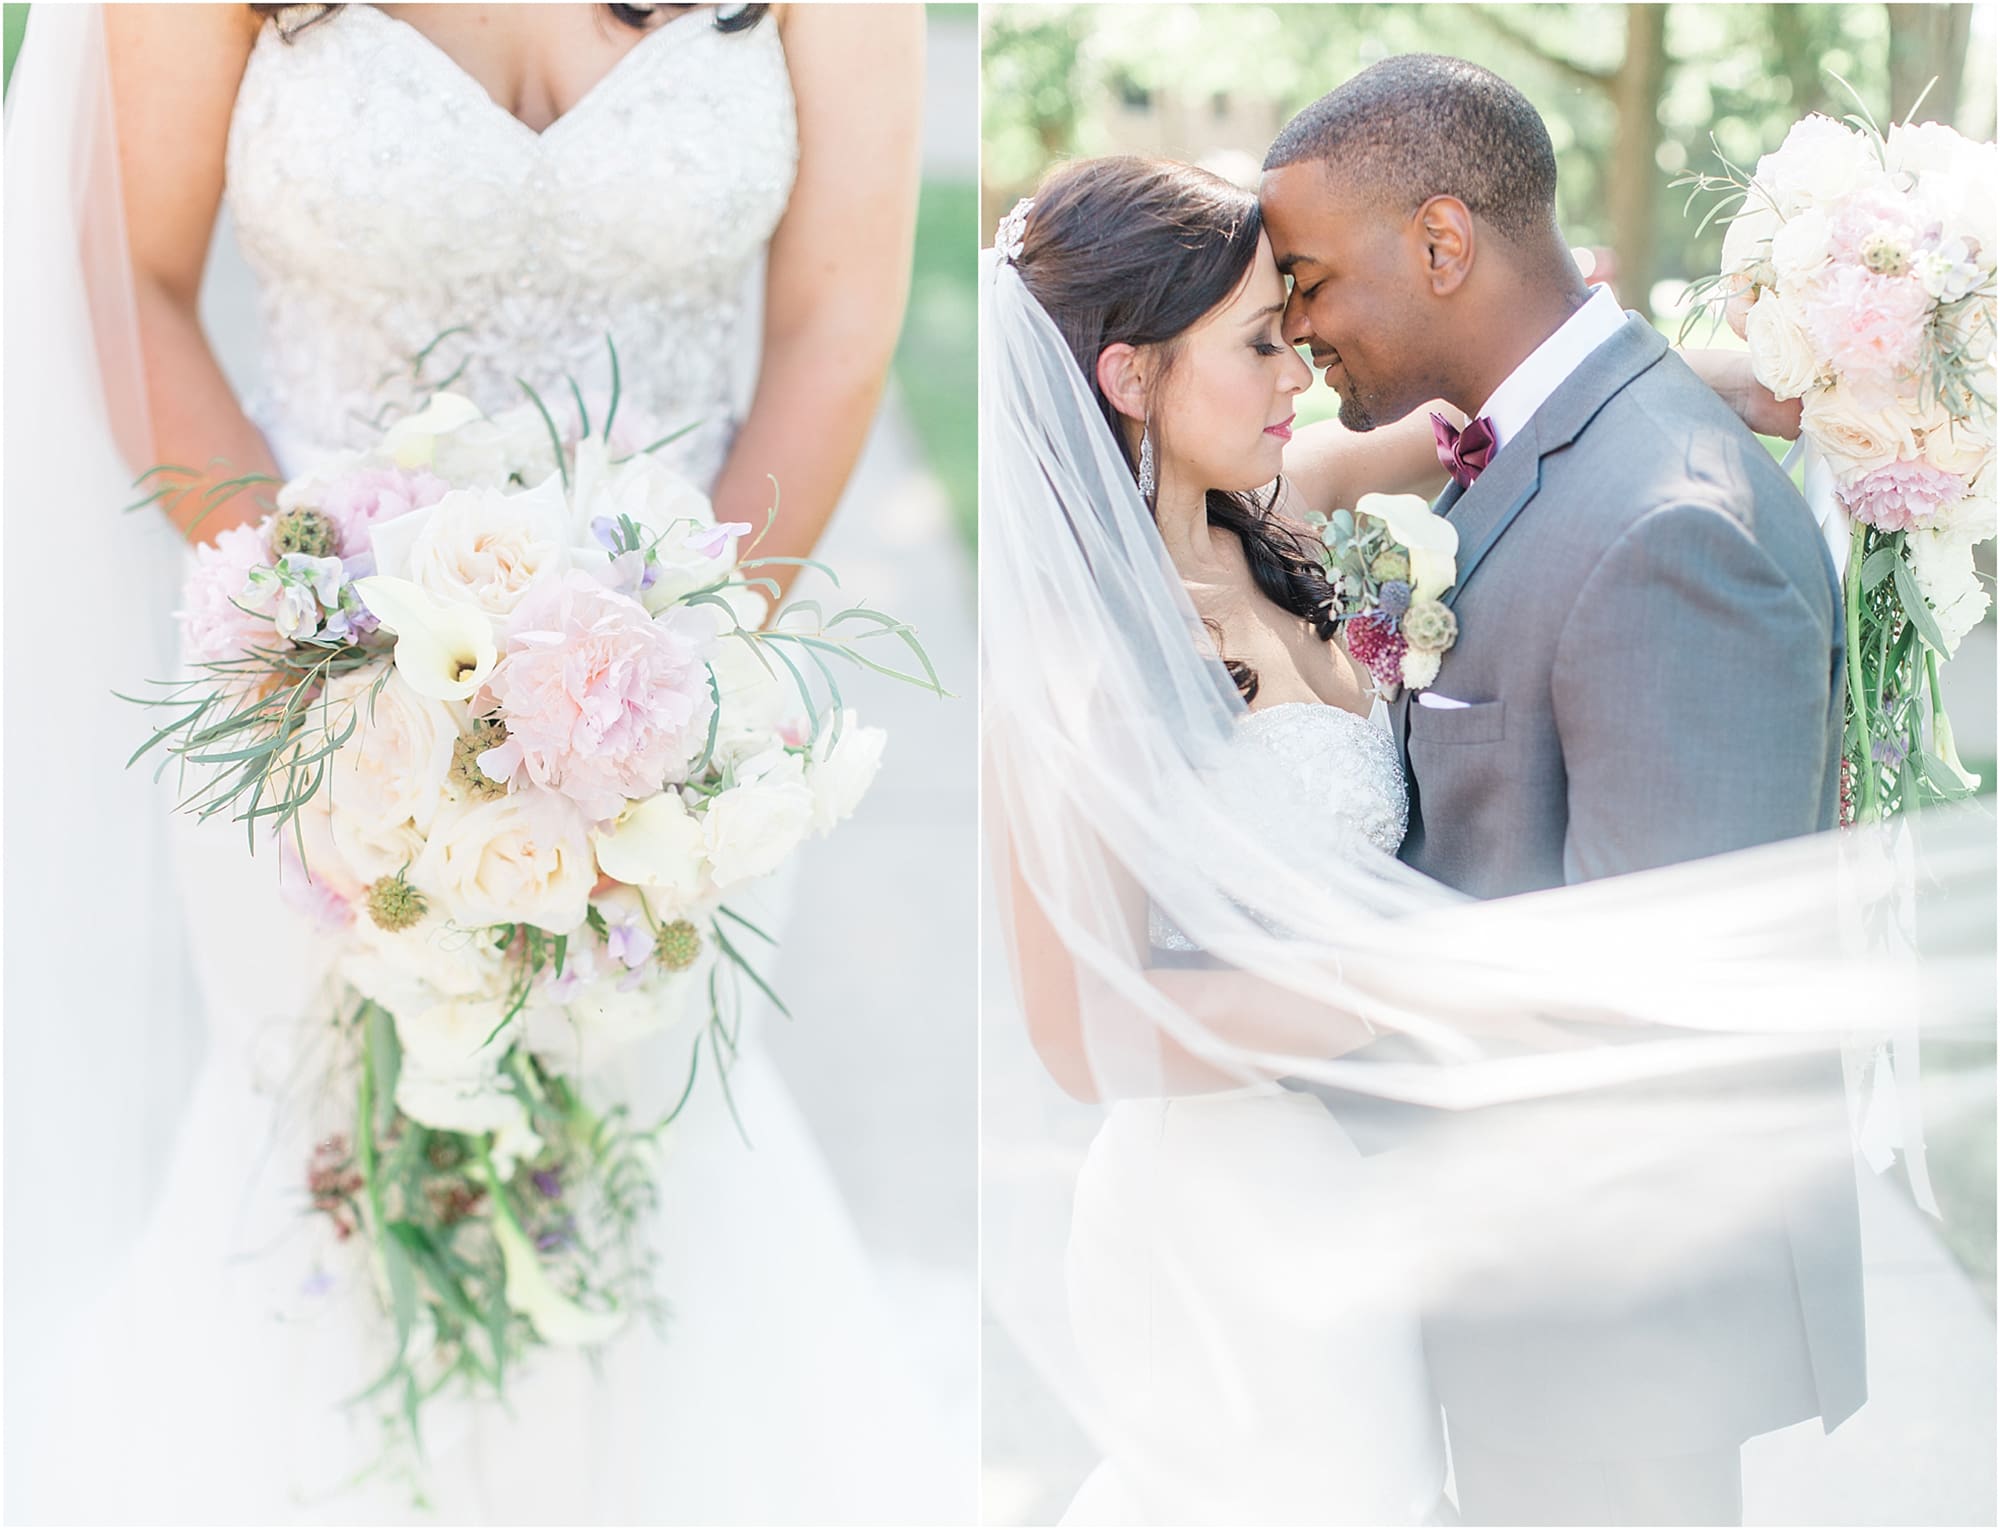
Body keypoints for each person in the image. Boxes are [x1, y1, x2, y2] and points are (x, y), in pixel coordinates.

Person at [5, 4, 960, 1521]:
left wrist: (668, 691)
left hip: (679, 738)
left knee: (648, 1175)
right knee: (331, 1173)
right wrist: (340, 652)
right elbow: (131, 281)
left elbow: (836, 331)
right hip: (308, 733)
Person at [979, 139, 1984, 1525]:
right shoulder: (1080, 663)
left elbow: (1523, 411)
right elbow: (1075, 1031)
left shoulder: (1280, 506)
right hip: (1223, 1217)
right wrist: (1405, 985)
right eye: (1264, 343)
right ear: (1131, 375)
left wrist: (1772, 375)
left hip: (1350, 1191)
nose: (1302, 372)